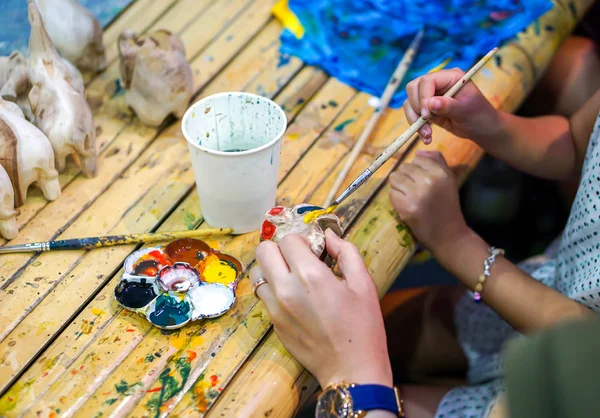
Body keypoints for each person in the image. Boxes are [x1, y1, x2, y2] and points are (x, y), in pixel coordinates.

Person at [250, 70, 600, 417]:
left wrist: (354, 377)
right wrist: (494, 126)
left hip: (566, 390)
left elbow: (586, 353)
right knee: (404, 322)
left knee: (302, 404)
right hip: (552, 288)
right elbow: (576, 141)